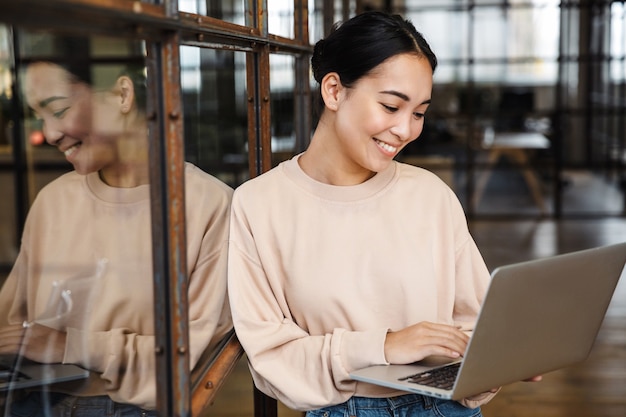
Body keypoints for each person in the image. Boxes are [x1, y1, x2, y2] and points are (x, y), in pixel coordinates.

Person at [228, 11, 540, 417]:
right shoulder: (258, 204)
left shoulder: (430, 195)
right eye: (391, 105)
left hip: (448, 406)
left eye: (418, 113)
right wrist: (384, 345)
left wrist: (499, 357)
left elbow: (473, 323)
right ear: (334, 91)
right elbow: (272, 359)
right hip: (343, 409)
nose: (406, 130)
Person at [0, 40, 233, 416]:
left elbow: (191, 352)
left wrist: (67, 345)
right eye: (38, 115)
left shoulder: (209, 205)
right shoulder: (53, 200)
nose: (49, 133)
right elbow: (13, 327)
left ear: (123, 94)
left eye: (58, 109)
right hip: (31, 401)